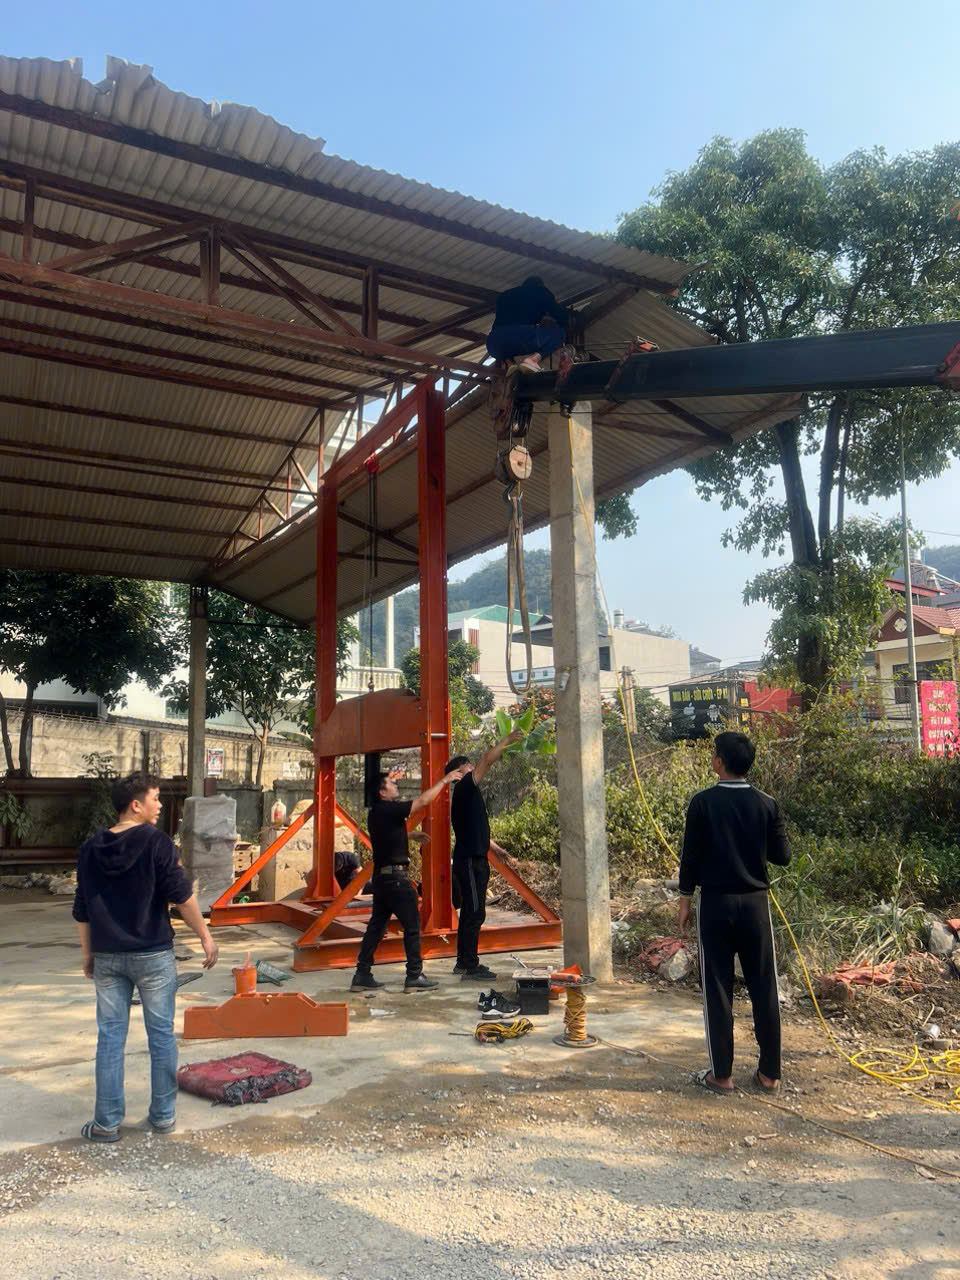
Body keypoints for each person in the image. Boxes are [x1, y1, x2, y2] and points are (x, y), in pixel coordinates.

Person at [72, 772, 219, 1142]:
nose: (160, 805)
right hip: (152, 955)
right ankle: (163, 1116)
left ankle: (106, 1124)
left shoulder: (90, 848)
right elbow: (181, 895)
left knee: (110, 1037)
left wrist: (88, 954)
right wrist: (205, 936)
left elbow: (82, 908)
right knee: (161, 1036)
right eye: (155, 798)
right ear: (136, 805)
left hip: (108, 956)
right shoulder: (156, 842)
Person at [677, 731, 791, 1096]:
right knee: (764, 986)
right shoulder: (767, 803)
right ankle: (769, 1074)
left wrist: (684, 899)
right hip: (756, 905)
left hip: (715, 904)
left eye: (714, 753)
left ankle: (722, 1075)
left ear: (719, 762)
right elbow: (782, 856)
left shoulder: (702, 803)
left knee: (717, 988)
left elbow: (690, 856)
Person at [350, 763, 465, 992]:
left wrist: (409, 835)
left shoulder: (376, 813)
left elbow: (387, 836)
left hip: (382, 880)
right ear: (382, 792)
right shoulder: (390, 809)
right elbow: (422, 801)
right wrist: (445, 780)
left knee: (376, 928)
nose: (396, 784)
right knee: (412, 925)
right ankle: (414, 975)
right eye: (391, 783)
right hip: (396, 880)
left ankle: (362, 974)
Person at [445, 728, 525, 981]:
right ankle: (468, 965)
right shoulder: (464, 787)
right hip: (469, 860)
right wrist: (507, 740)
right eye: (468, 766)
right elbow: (487, 760)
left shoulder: (469, 795)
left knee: (473, 911)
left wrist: (497, 850)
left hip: (475, 858)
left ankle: (465, 962)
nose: (473, 768)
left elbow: (475, 830)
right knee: (474, 911)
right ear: (459, 773)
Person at [486, 276, 569, 370]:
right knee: (559, 333)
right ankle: (533, 360)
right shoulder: (540, 291)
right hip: (517, 336)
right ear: (540, 285)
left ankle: (511, 366)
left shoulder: (505, 295)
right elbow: (561, 317)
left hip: (493, 343)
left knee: (510, 346)